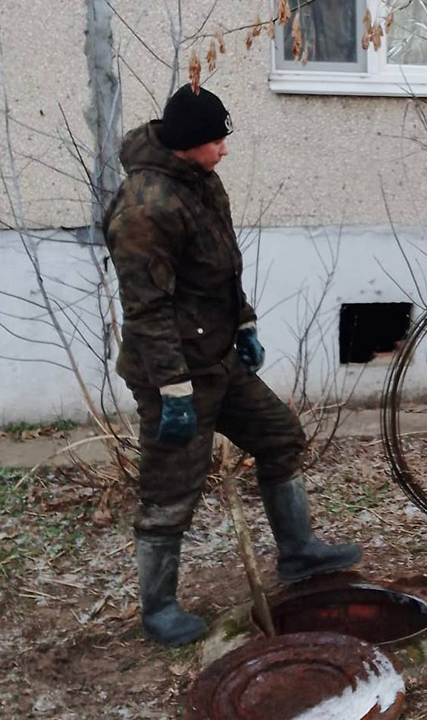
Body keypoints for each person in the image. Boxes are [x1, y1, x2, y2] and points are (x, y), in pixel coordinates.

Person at [103, 85, 361, 646]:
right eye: (217, 138)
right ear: (190, 143)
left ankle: (298, 554)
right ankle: (158, 610)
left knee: (279, 437)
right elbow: (146, 310)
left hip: (218, 357)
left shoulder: (201, 183)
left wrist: (242, 321)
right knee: (170, 490)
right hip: (173, 373)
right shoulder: (145, 208)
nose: (224, 147)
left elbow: (220, 266)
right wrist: (172, 389)